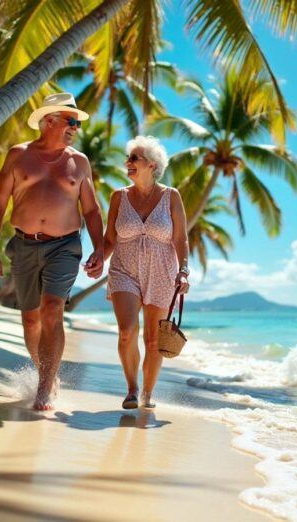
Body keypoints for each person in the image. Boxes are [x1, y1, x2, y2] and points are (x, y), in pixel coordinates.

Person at [0, 92, 104, 411]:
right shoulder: (18, 155)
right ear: (49, 119)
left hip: (64, 245)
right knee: (30, 320)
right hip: (23, 244)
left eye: (77, 123)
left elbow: (91, 210)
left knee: (52, 308)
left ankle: (45, 386)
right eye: (71, 121)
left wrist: (100, 249)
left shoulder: (79, 162)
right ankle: (45, 373)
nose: (76, 128)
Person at [103, 135, 190, 409]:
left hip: (163, 272)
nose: (127, 162)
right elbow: (109, 239)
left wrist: (184, 270)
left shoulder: (171, 196)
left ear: (152, 165)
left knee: (153, 340)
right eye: (128, 157)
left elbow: (181, 239)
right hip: (124, 270)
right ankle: (131, 389)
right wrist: (97, 258)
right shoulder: (119, 197)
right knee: (126, 331)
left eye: (134, 158)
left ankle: (148, 395)